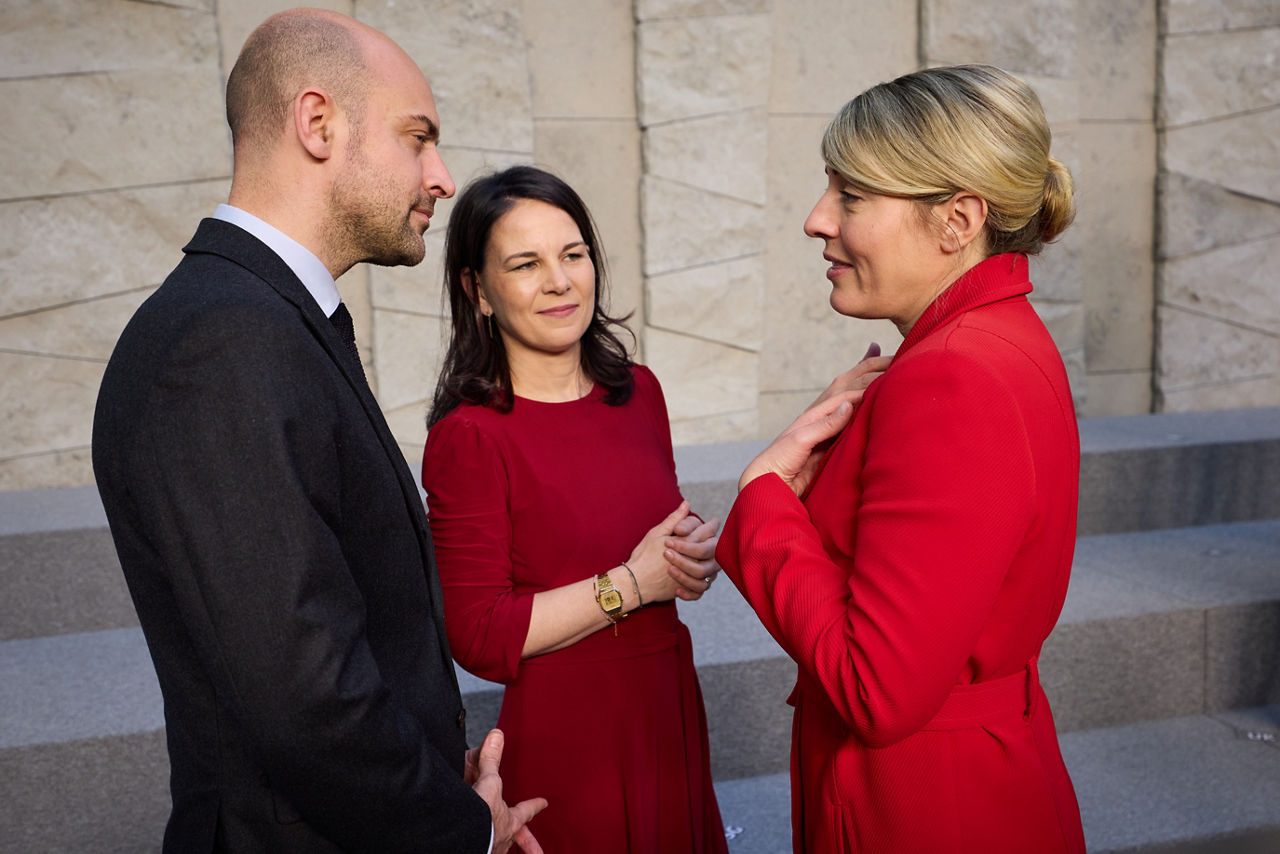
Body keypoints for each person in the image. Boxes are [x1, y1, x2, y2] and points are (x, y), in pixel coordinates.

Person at [92, 9, 544, 853]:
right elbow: (306, 693)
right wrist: (460, 831)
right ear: (317, 122)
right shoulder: (224, 341)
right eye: (418, 138)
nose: (442, 176)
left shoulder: (264, 319)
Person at [715, 65, 1088, 853]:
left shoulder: (953, 374)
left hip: (920, 806)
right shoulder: (998, 337)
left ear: (957, 220)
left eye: (851, 197)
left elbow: (876, 687)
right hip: (970, 780)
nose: (817, 220)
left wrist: (765, 498)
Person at [421, 165, 730, 853]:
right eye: (526, 264)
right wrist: (633, 584)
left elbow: (655, 541)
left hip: (666, 707)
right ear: (479, 290)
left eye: (573, 254)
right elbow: (476, 632)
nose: (560, 281)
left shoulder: (639, 392)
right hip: (571, 737)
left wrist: (689, 562)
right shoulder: (470, 437)